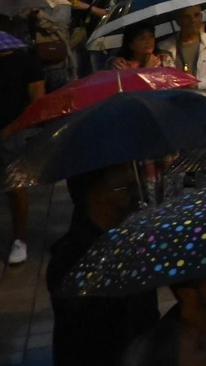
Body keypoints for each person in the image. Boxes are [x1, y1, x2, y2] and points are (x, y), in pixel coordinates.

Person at [48, 164, 159, 365]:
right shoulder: (74, 259)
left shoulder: (127, 238)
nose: (135, 190)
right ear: (96, 195)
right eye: (124, 187)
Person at [1, 38, 44, 265]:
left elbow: (38, 99)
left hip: (14, 132)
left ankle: (19, 238)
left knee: (14, 186)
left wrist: (12, 128)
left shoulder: (26, 61)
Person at [161, 5, 206, 94]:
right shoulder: (165, 47)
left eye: (196, 15)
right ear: (178, 20)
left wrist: (198, 84)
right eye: (187, 17)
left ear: (201, 16)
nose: (193, 20)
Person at [111, 22, 177, 71]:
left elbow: (173, 81)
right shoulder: (123, 65)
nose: (148, 42)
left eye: (151, 37)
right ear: (130, 44)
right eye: (142, 38)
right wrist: (147, 69)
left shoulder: (164, 59)